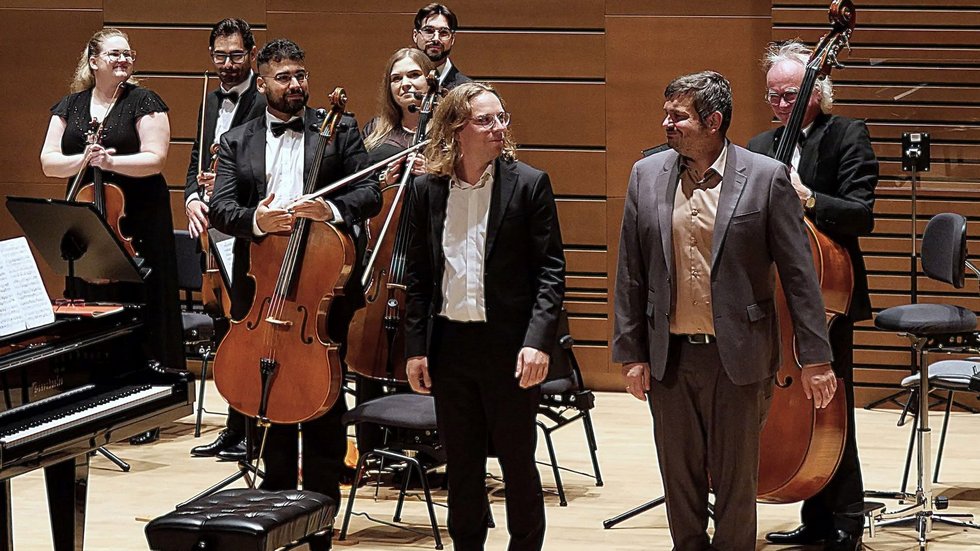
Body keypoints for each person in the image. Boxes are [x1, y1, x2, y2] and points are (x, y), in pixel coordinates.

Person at [612, 71, 837, 550]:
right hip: (670, 358)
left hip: (740, 356)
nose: (666, 124)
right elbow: (631, 271)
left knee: (737, 485)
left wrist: (816, 359)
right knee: (680, 482)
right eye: (666, 114)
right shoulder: (645, 175)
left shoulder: (765, 177)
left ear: (713, 121)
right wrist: (631, 353)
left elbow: (800, 277)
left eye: (678, 116)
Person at [209, 38, 379, 505]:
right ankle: (274, 499)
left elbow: (369, 193)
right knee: (265, 391)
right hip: (261, 285)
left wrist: (330, 209)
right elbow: (221, 207)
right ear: (262, 83)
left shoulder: (339, 129)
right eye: (283, 77)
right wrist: (256, 220)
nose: (295, 84)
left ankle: (321, 505)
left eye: (300, 75)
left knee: (322, 394)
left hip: (323, 284)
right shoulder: (238, 140)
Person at [404, 82, 565, 551]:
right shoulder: (426, 190)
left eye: (501, 118)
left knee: (518, 463)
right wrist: (416, 349)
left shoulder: (529, 184)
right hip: (451, 347)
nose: (499, 128)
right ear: (456, 128)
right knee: (462, 466)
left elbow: (551, 272)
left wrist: (537, 342)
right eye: (485, 120)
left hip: (510, 347)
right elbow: (418, 277)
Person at [749, 40, 877, 551]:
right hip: (775, 299)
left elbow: (861, 213)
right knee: (795, 409)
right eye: (773, 96)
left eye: (790, 95)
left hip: (828, 295)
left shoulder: (848, 134)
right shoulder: (760, 145)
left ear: (817, 92)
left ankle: (847, 516)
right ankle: (815, 516)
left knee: (831, 409)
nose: (781, 105)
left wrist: (809, 198)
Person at [40, 28, 184, 445]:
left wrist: (110, 161)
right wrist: (82, 161)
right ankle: (94, 394)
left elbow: (155, 159)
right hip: (90, 215)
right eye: (114, 54)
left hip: (137, 217)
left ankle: (147, 402)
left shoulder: (144, 101)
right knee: (93, 301)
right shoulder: (70, 106)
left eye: (128, 54)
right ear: (93, 61)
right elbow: (48, 161)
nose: (123, 60)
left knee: (141, 302)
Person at [185, 17, 266, 462]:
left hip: (245, 229)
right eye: (220, 56)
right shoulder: (210, 100)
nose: (228, 64)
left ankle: (253, 432)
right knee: (222, 330)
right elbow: (194, 159)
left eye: (236, 55)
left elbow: (265, 170)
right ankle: (233, 428)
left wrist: (225, 188)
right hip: (212, 232)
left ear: (252, 54)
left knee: (246, 329)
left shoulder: (264, 100)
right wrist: (192, 198)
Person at [351, 47, 435, 454]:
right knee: (367, 349)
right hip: (382, 264)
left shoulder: (445, 137)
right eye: (397, 78)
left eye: (414, 75)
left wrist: (434, 172)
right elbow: (360, 197)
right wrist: (383, 182)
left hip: (429, 262)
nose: (406, 84)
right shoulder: (376, 136)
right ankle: (370, 445)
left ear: (429, 80)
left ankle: (427, 445)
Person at [412, 3, 471, 89]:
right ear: (415, 35)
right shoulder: (402, 84)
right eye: (429, 31)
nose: (436, 39)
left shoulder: (466, 90)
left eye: (443, 32)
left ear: (452, 39)